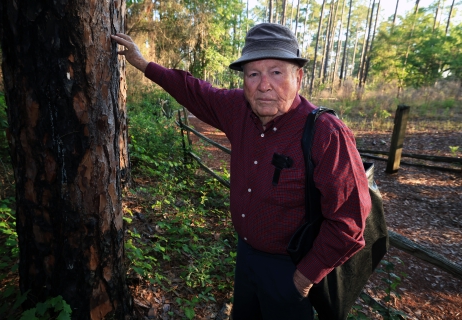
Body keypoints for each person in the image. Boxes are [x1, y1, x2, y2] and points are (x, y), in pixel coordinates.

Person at [111, 23, 371, 319]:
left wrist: (305, 276)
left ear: (298, 77)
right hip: (246, 257)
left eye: (276, 72)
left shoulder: (326, 134)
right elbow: (194, 90)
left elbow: (350, 220)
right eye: (253, 74)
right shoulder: (238, 109)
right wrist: (143, 63)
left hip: (291, 268)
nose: (263, 85)